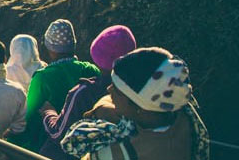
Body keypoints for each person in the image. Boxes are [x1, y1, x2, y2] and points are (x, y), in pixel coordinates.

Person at [61, 47, 209, 160]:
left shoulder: (124, 152)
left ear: (140, 107)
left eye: (117, 91)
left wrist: (101, 110)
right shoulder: (182, 115)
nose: (109, 89)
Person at [39, 25, 137, 160]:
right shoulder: (137, 92)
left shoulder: (84, 92)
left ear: (97, 56)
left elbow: (59, 134)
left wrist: (48, 113)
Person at [18, 19, 101, 151]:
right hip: (87, 144)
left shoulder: (42, 77)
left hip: (49, 145)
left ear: (49, 47)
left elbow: (30, 117)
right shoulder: (91, 70)